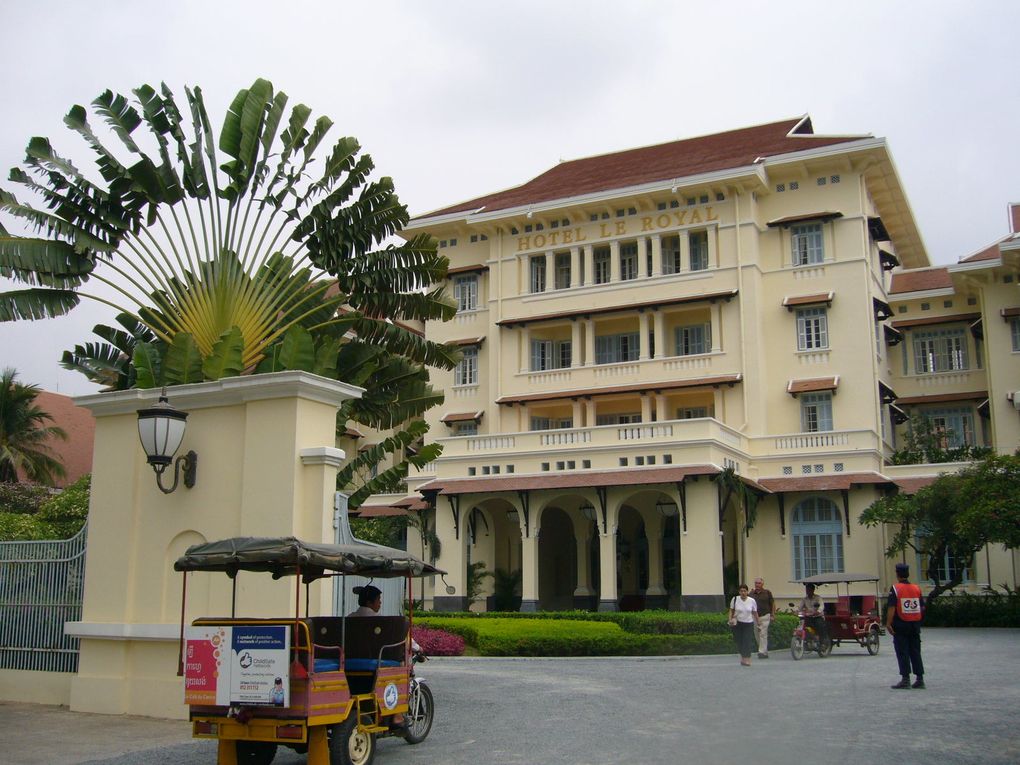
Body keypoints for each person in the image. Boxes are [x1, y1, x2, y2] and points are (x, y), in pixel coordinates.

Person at [886, 562, 925, 689]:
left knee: (902, 651)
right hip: (914, 624)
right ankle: (920, 678)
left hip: (901, 624)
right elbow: (922, 607)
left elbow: (892, 607)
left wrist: (888, 623)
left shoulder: (896, 588)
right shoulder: (916, 588)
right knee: (915, 651)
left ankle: (905, 679)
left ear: (897, 574)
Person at [728, 584, 760, 666]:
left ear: (747, 592)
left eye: (745, 591)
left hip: (748, 623)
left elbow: (755, 612)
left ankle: (747, 659)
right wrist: (730, 619)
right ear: (739, 592)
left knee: (747, 641)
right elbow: (731, 610)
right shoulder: (735, 599)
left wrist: (758, 622)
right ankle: (743, 658)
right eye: (741, 591)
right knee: (739, 641)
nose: (743, 593)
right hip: (737, 623)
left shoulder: (752, 600)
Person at [750, 577, 775, 659]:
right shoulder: (751, 594)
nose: (757, 585)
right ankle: (764, 651)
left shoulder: (767, 593)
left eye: (759, 583)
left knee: (763, 634)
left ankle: (761, 652)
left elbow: (772, 604)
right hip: (755, 617)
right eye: (756, 583)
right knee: (757, 634)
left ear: (762, 584)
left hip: (765, 616)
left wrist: (773, 615)